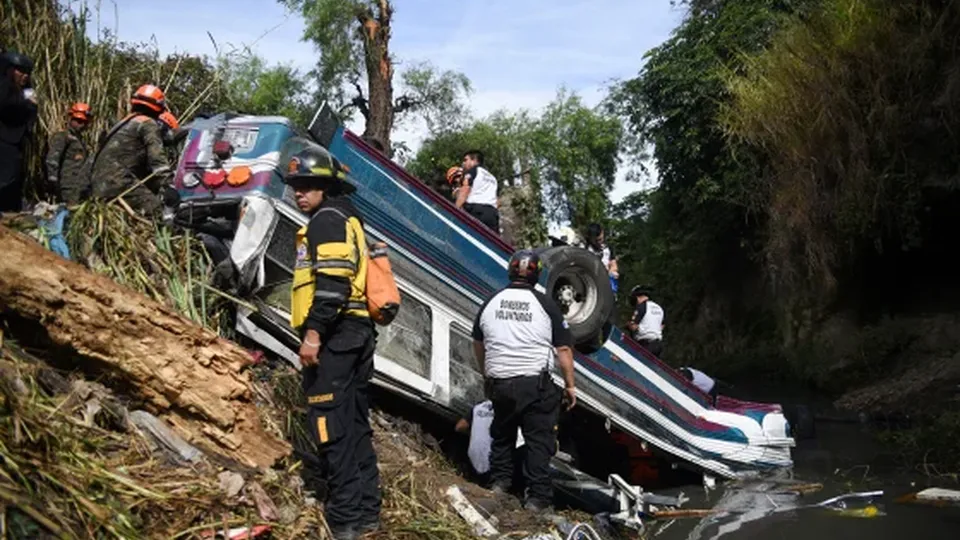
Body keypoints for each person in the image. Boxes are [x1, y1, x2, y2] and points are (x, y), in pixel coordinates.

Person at [286, 146, 380, 540]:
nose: (298, 193)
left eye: (307, 186)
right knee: (356, 423)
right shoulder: (347, 218)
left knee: (330, 426)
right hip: (357, 333)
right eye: (295, 186)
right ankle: (367, 511)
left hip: (336, 335)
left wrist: (312, 335)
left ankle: (344, 521)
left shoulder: (326, 220)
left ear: (325, 186)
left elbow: (332, 287)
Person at [472, 249, 577, 511]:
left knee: (503, 435)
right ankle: (538, 498)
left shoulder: (491, 302)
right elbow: (563, 350)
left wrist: (487, 374)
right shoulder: (546, 305)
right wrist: (571, 386)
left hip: (500, 383)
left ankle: (499, 484)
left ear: (510, 271)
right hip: (534, 385)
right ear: (537, 274)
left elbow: (478, 342)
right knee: (538, 440)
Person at [90, 84, 174, 217]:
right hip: (118, 182)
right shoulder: (147, 123)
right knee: (159, 212)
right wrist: (170, 186)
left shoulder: (122, 123)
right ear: (158, 108)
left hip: (96, 185)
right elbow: (157, 161)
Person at [0, 51, 38, 212]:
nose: (24, 76)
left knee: (12, 179)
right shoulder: (4, 85)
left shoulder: (20, 91)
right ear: (8, 69)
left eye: (27, 73)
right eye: (20, 71)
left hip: (13, 143)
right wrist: (27, 103)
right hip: (3, 141)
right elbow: (6, 106)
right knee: (6, 179)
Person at [46, 103, 93, 204]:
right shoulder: (63, 136)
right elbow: (53, 158)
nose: (82, 125)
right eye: (78, 121)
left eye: (84, 122)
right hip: (68, 185)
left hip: (79, 185)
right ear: (71, 119)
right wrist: (53, 179)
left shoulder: (80, 140)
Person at [455, 150, 499, 233]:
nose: (463, 163)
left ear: (474, 160)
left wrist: (455, 210)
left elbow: (465, 189)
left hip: (476, 212)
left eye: (465, 160)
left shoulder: (473, 171)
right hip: (492, 215)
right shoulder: (493, 178)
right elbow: (497, 201)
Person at [626, 285, 665, 357]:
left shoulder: (641, 307)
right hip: (658, 345)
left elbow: (633, 326)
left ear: (637, 297)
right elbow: (662, 326)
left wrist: (627, 325)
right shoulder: (659, 308)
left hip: (645, 344)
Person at [584, 223, 619, 294]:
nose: (599, 242)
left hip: (605, 276)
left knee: (614, 275)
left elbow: (614, 265)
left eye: (601, 239)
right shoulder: (584, 247)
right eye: (596, 240)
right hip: (589, 277)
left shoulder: (608, 248)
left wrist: (611, 271)